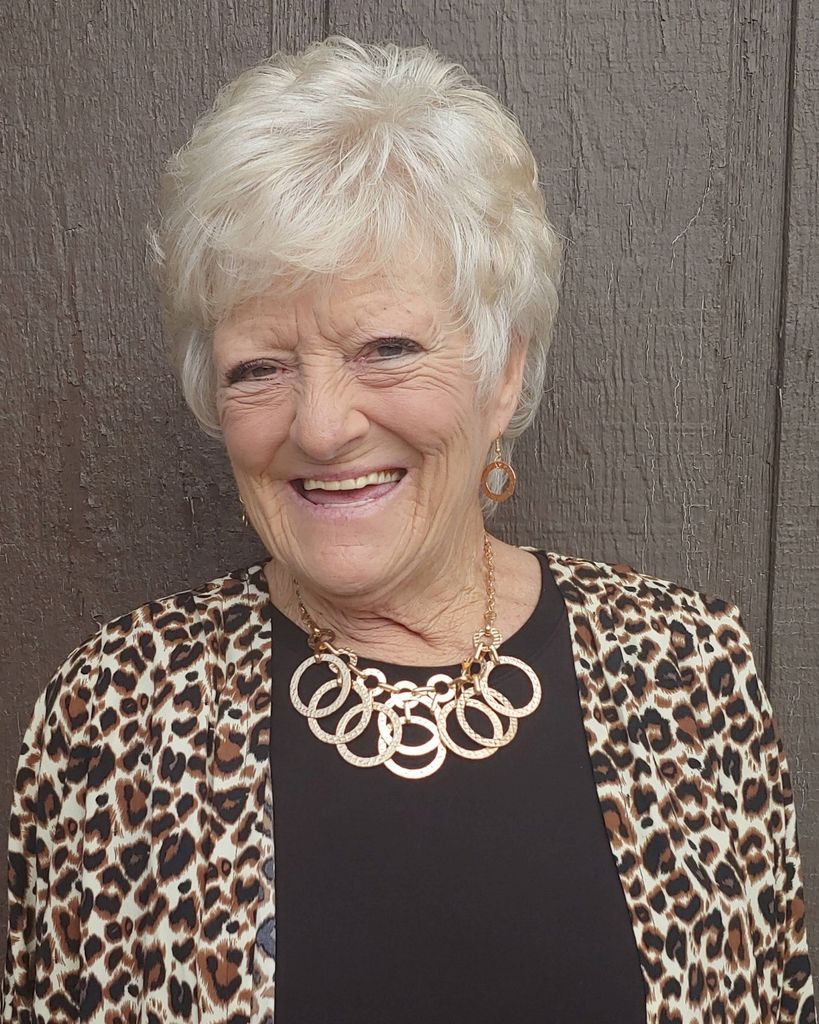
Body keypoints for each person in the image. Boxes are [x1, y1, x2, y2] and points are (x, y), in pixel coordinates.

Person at [2, 35, 815, 1024]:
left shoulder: (687, 675)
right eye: (260, 366)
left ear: (503, 372)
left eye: (385, 348)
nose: (320, 426)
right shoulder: (116, 713)